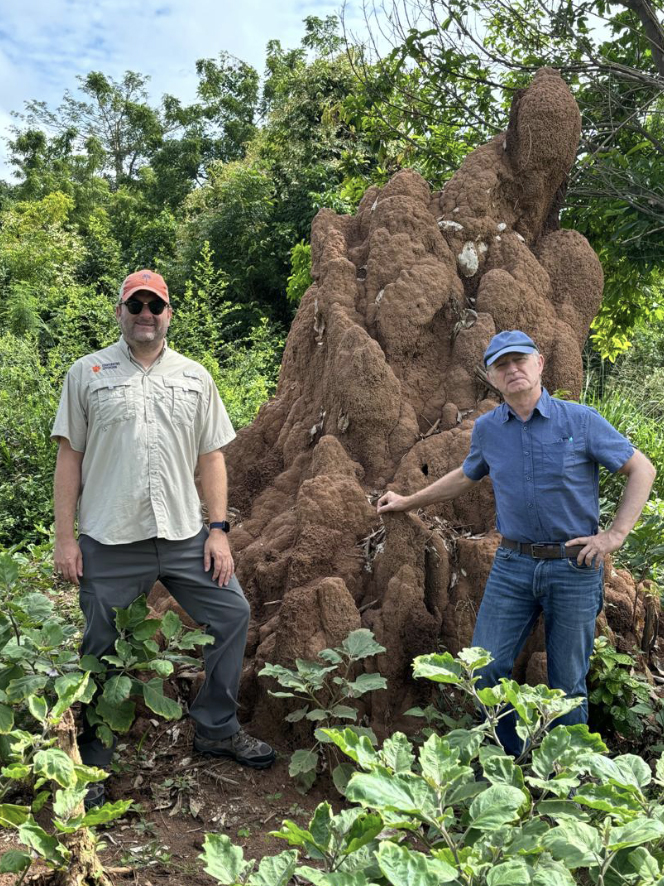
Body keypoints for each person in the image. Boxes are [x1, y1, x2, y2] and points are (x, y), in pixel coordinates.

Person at [52, 269, 275, 805]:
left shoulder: (195, 376)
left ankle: (216, 729)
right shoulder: (88, 373)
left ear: (169, 313)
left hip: (183, 535)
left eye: (155, 305)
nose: (145, 314)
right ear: (120, 312)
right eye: (136, 305)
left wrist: (218, 531)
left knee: (231, 613)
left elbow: (211, 458)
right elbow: (69, 459)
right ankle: (97, 758)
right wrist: (65, 537)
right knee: (101, 644)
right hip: (110, 538)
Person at [377, 329, 656, 755]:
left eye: (519, 360)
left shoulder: (579, 421)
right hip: (514, 565)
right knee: (484, 667)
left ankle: (568, 778)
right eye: (501, 365)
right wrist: (407, 502)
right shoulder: (489, 429)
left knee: (567, 684)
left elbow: (642, 470)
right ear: (491, 377)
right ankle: (509, 760)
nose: (512, 370)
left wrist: (614, 535)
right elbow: (465, 476)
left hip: (573, 567)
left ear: (539, 363)